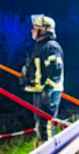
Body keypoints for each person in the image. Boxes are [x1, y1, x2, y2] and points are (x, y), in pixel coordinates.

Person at [20, 15, 64, 143]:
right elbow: (37, 69)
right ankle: (44, 153)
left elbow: (56, 70)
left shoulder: (52, 47)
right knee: (40, 125)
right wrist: (26, 78)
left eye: (35, 28)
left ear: (44, 30)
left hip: (48, 91)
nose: (32, 30)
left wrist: (48, 90)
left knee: (47, 124)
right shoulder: (38, 46)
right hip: (39, 91)